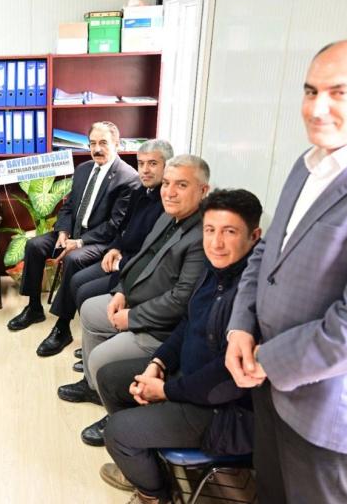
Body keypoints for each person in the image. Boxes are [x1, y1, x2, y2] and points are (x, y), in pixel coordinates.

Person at [225, 38, 347, 504]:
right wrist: (240, 327)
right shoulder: (308, 163)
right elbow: (266, 255)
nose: (315, 108)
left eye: (338, 92)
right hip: (268, 384)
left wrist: (267, 360)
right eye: (310, 91)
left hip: (327, 411)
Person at [98, 189, 261, 504]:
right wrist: (157, 363)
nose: (216, 243)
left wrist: (166, 391)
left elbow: (225, 379)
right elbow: (188, 322)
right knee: (109, 378)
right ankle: (148, 462)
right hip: (185, 380)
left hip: (219, 410)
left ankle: (155, 494)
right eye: (210, 230)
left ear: (254, 236)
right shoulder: (213, 271)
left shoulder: (252, 297)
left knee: (116, 432)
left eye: (229, 232)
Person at [60, 155, 209, 411]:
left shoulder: (202, 236)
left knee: (99, 359)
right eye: (167, 184)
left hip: (160, 327)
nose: (170, 192)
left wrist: (132, 317)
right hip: (136, 301)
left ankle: (114, 408)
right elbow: (141, 258)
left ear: (204, 190)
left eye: (182, 185)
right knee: (89, 309)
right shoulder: (169, 216)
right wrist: (121, 291)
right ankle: (94, 387)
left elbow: (181, 300)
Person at [37, 139, 172, 358]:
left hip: (131, 264)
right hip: (118, 254)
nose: (145, 170)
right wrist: (115, 248)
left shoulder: (165, 199)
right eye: (141, 163)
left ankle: (99, 340)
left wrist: (112, 253)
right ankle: (66, 329)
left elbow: (126, 233)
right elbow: (123, 227)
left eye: (153, 164)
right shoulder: (140, 190)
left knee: (83, 285)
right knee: (75, 280)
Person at [7, 121, 139, 333]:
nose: (96, 149)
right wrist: (63, 232)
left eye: (103, 143)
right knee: (34, 245)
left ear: (117, 144)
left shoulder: (128, 178)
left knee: (73, 259)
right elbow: (68, 206)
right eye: (92, 143)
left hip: (100, 241)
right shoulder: (83, 169)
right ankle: (34, 308)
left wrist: (79, 242)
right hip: (73, 232)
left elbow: (115, 225)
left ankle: (63, 326)